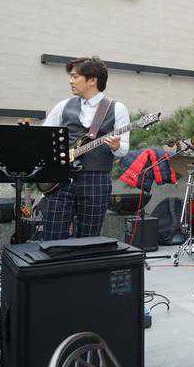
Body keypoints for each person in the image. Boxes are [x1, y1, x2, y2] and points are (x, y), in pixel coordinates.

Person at [41, 56, 130, 241]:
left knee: (89, 240)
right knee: (52, 237)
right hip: (61, 179)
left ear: (92, 80)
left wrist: (116, 146)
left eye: (75, 76)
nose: (70, 81)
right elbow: (44, 138)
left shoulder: (117, 108)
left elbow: (123, 150)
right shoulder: (63, 106)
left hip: (96, 180)